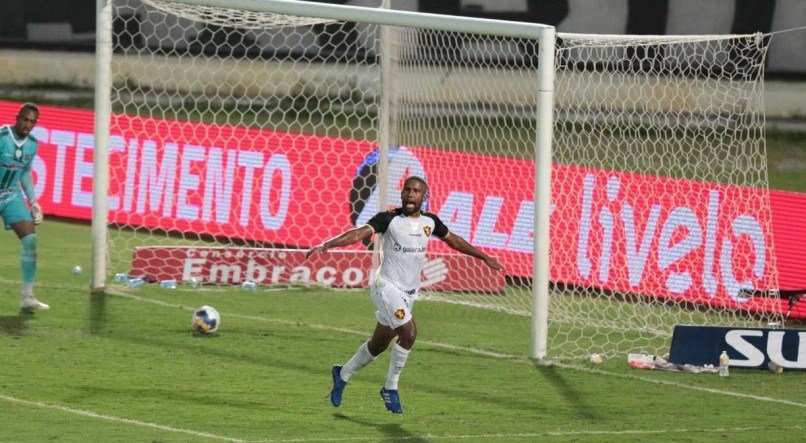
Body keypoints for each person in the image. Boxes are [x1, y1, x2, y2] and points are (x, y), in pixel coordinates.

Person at [306, 176, 504, 414]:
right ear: (402, 193)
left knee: (378, 344)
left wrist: (483, 257)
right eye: (408, 190)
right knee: (409, 334)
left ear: (424, 197)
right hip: (386, 287)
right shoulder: (388, 219)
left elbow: (455, 241)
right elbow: (359, 233)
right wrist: (327, 244)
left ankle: (343, 373)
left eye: (416, 191)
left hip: (409, 293)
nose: (411, 194)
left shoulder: (431, 222)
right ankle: (390, 387)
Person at [0, 103, 48, 311]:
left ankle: (27, 297)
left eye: (32, 121)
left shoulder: (32, 144)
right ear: (16, 117)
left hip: (10, 194)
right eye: (25, 119)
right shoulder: (2, 136)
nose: (28, 125)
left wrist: (33, 200)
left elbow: (25, 171)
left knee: (30, 239)